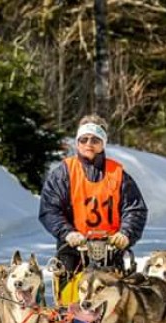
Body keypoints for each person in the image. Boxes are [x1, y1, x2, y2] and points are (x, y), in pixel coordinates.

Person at [38, 115, 148, 280]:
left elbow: (134, 209)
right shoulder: (63, 173)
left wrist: (126, 233)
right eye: (84, 139)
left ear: (103, 143)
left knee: (111, 302)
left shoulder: (117, 174)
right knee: (70, 303)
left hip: (110, 250)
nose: (89, 144)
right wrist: (67, 233)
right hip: (73, 250)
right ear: (77, 143)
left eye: (95, 140)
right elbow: (49, 209)